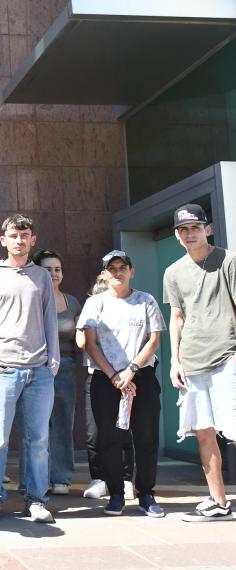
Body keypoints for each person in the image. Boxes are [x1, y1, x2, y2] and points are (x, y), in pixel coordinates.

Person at [0, 214, 59, 524]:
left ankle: (36, 500)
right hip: (2, 366)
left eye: (25, 235)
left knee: (38, 439)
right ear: (3, 239)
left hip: (39, 369)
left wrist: (53, 359)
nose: (19, 240)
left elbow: (49, 319)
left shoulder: (42, 277)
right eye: (14, 235)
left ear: (32, 239)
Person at [79, 250, 165, 517]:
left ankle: (146, 493)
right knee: (109, 438)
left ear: (131, 271)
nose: (117, 272)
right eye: (112, 268)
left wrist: (131, 370)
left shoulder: (145, 300)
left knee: (146, 436)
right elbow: (90, 344)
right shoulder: (95, 303)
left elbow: (153, 341)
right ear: (104, 274)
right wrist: (114, 375)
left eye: (122, 267)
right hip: (106, 379)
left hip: (141, 377)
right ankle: (116, 494)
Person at [164, 204, 235, 522]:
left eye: (195, 228)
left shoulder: (228, 260)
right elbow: (176, 317)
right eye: (183, 230)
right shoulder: (173, 272)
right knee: (204, 432)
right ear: (177, 236)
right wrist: (174, 361)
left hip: (227, 355)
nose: (189, 234)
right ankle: (219, 503)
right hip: (191, 362)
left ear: (208, 229)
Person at [19, 250, 81, 495]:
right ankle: (30, 479)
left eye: (57, 269)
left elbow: (82, 337)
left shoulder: (72, 302)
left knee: (63, 423)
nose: (54, 274)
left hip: (65, 368)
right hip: (35, 367)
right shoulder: (30, 298)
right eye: (48, 270)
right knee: (33, 426)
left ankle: (61, 477)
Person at [78, 274, 136, 501]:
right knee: (95, 433)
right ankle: (99, 478)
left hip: (124, 378)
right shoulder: (91, 312)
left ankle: (125, 479)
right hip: (97, 377)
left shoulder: (130, 310)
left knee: (124, 431)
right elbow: (82, 342)